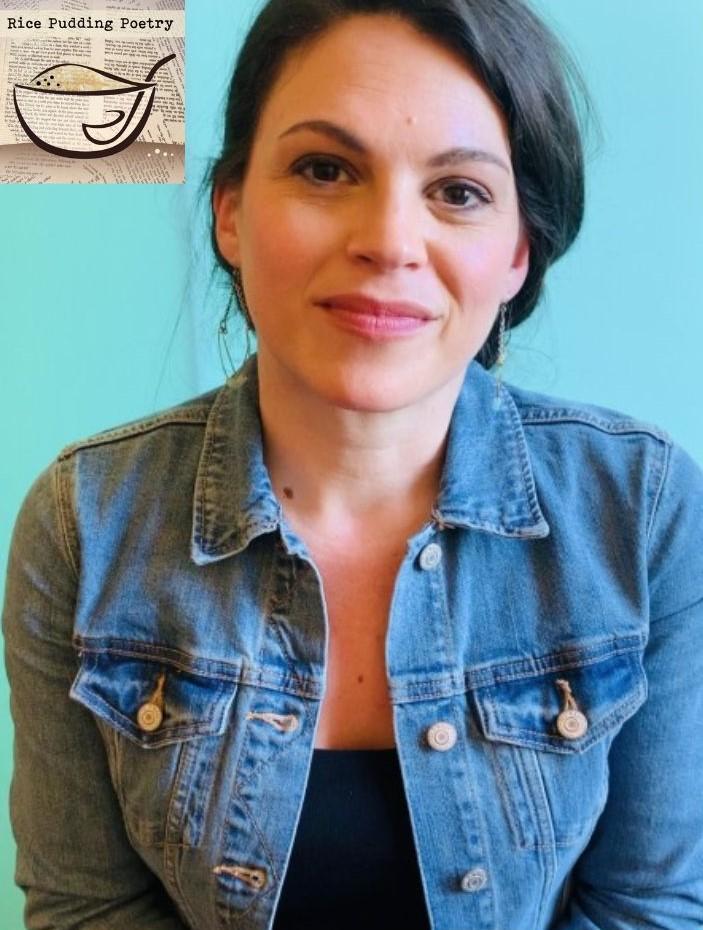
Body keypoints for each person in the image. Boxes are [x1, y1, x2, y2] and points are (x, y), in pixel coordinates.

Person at [3, 0, 703, 928]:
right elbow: (85, 909)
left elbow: (649, 907)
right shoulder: (82, 519)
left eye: (458, 192)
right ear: (230, 214)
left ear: (516, 257)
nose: (388, 241)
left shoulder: (643, 509)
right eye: (324, 169)